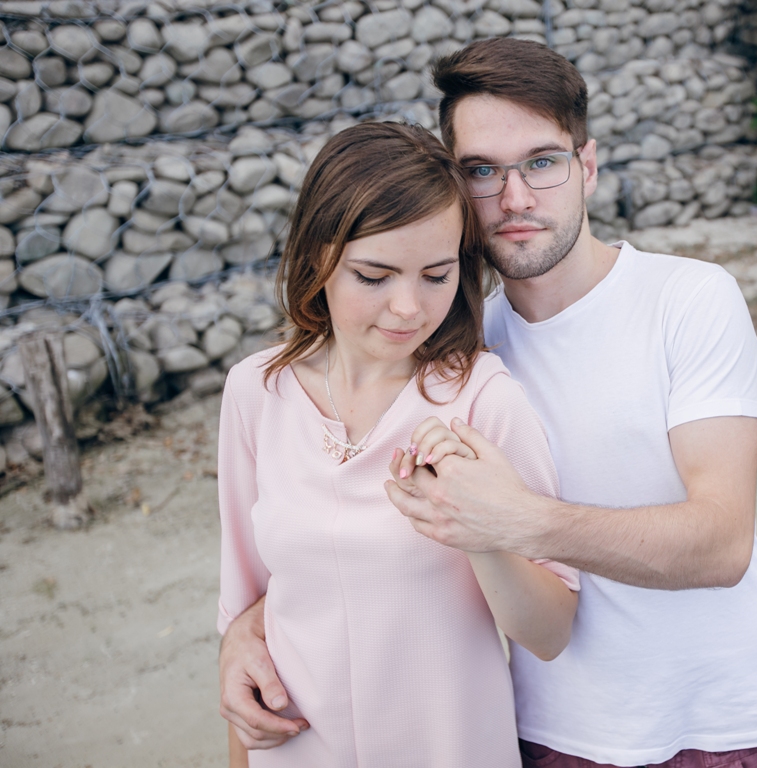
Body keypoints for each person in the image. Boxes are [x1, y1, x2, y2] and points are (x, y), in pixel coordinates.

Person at [220, 38, 757, 768]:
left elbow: (721, 544)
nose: (515, 196)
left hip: (713, 730)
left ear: (586, 166)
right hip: (545, 734)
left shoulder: (686, 299)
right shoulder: (452, 355)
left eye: (542, 162)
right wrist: (246, 633)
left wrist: (516, 520)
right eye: (482, 171)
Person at [216, 120, 579, 767]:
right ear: (316, 258)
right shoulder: (255, 392)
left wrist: (476, 529)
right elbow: (244, 622)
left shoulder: (484, 402)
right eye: (374, 275)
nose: (409, 308)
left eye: (436, 276)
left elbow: (549, 633)